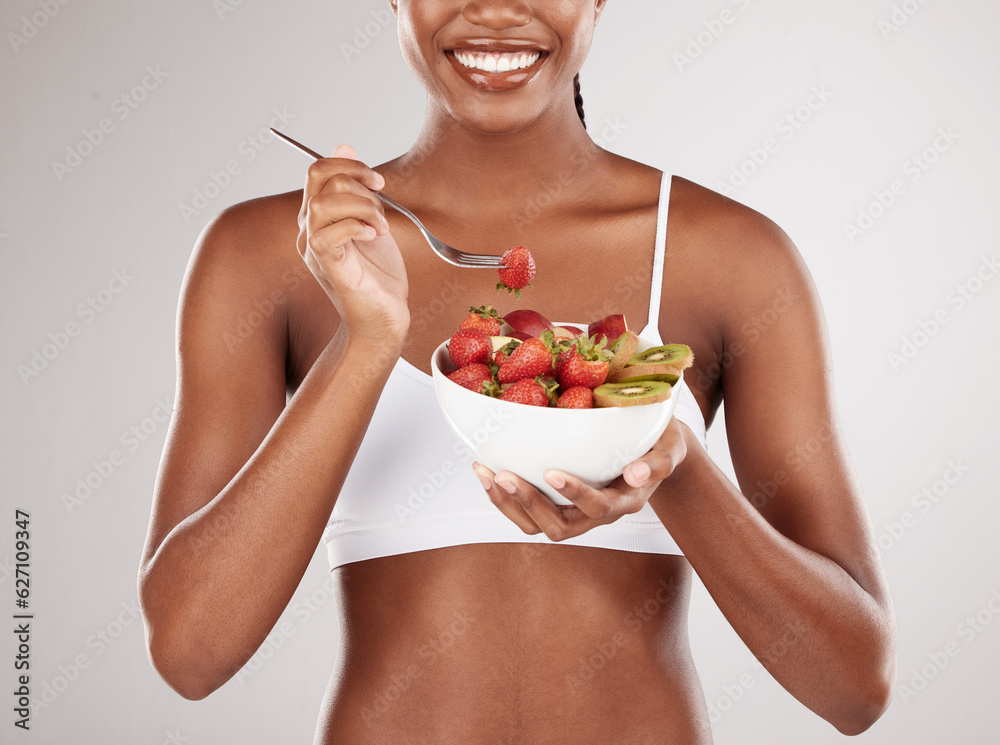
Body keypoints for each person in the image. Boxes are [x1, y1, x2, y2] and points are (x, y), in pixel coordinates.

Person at [137, 1, 896, 742]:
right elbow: (191, 651)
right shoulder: (264, 254)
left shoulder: (734, 258)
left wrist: (673, 468)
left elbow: (853, 687)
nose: (496, 11)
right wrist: (366, 339)